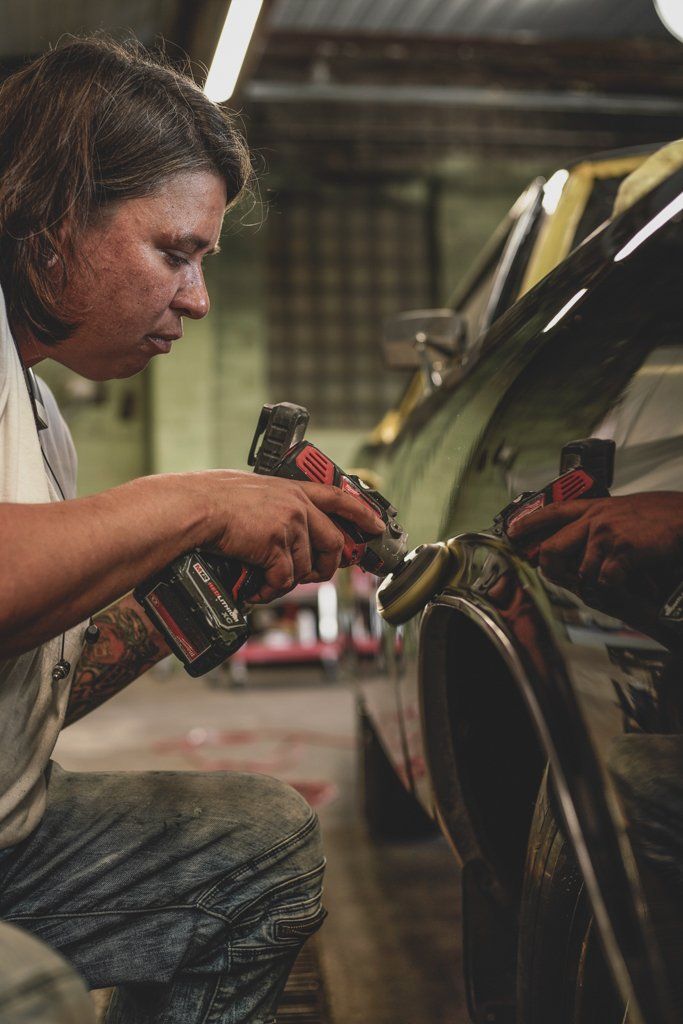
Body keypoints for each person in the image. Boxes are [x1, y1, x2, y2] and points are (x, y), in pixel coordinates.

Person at [0, 36, 385, 1023]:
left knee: (260, 847)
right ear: (48, 216)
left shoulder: (37, 421)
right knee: (31, 993)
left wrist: (192, 582)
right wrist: (198, 500)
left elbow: (28, 692)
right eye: (173, 252)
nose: (199, 298)